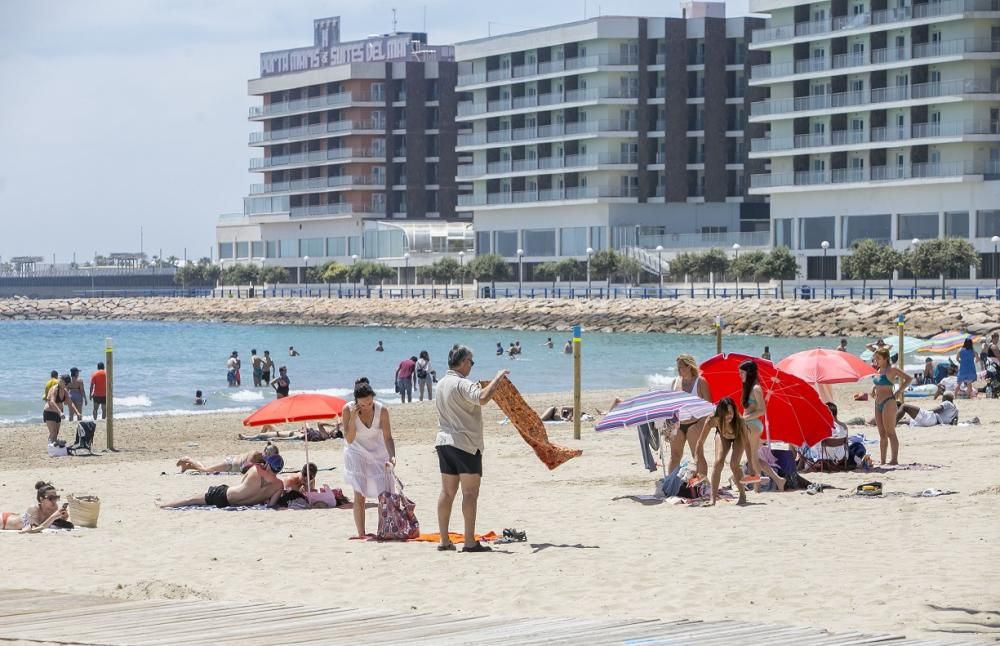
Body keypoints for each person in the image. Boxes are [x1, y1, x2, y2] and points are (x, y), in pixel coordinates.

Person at [434, 345, 508, 553]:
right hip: (465, 444)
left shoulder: (441, 384)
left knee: (447, 492)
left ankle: (444, 539)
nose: (472, 366)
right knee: (470, 493)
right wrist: (497, 379)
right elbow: (482, 398)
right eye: (471, 362)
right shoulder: (461, 383)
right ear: (464, 362)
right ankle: (469, 541)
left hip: (444, 442)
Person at [342, 378, 397, 538]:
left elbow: (388, 437)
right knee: (359, 493)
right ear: (356, 401)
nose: (366, 407)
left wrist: (393, 456)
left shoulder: (382, 411)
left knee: (383, 494)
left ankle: (382, 531)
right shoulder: (347, 409)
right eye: (363, 405)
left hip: (378, 451)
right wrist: (352, 418)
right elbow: (350, 439)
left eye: (369, 403)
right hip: (356, 451)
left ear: (373, 398)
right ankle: (361, 533)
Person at [159, 454, 286, 509]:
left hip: (225, 495)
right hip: (236, 504)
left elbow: (243, 481)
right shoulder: (279, 485)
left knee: (191, 500)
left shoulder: (256, 469)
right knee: (194, 500)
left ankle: (164, 505)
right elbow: (271, 505)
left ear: (268, 463)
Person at [738, 361, 786, 491]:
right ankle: (777, 480)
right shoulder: (750, 388)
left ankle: (757, 487)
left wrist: (745, 418)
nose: (740, 375)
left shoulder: (756, 389)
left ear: (749, 373)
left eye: (742, 373)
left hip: (752, 425)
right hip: (749, 425)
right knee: (753, 457)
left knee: (752, 456)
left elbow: (762, 410)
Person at [669, 354, 712, 482]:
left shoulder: (700, 382)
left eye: (681, 367)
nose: (679, 370)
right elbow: (671, 405)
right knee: (675, 456)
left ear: (689, 367)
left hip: (696, 423)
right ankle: (672, 484)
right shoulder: (675, 382)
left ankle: (703, 483)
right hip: (678, 424)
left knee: (697, 455)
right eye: (677, 367)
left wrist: (702, 425)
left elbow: (709, 407)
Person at [701, 398, 750, 506]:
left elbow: (747, 444)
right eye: (726, 413)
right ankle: (712, 499)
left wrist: (751, 463)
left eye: (731, 412)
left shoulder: (740, 421)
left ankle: (742, 495)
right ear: (721, 413)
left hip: (738, 436)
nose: (729, 415)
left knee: (734, 464)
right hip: (723, 435)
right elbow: (700, 441)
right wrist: (697, 455)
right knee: (718, 463)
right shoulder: (713, 419)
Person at [871, 347, 912, 465]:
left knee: (890, 432)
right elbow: (878, 383)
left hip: (889, 402)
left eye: (878, 358)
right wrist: (873, 388)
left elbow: (909, 378)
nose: (876, 360)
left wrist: (899, 391)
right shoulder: (878, 370)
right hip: (877, 403)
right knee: (882, 434)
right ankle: (883, 461)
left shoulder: (892, 370)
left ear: (886, 358)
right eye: (875, 358)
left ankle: (894, 459)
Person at [176, 444, 277, 474]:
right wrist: (261, 467)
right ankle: (188, 459)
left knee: (206, 470)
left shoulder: (263, 459)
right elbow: (245, 468)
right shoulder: (256, 454)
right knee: (206, 470)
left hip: (232, 464)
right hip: (231, 464)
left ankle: (188, 466)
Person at [43, 375, 80, 444]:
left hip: (58, 414)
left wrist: (77, 413)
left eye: (61, 380)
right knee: (53, 433)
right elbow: (52, 401)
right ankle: (51, 447)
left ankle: (54, 446)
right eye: (60, 380)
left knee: (56, 433)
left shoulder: (65, 391)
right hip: (49, 412)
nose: (59, 381)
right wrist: (60, 412)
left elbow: (70, 403)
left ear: (65, 383)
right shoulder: (55, 389)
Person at [239, 421, 341, 442]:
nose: (332, 431)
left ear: (334, 436)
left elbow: (319, 424)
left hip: (296, 435)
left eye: (334, 432)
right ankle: (259, 438)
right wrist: (336, 427)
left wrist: (332, 425)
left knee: (268, 435)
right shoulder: (329, 434)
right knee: (267, 425)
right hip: (295, 432)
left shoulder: (326, 436)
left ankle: (248, 437)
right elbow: (334, 431)